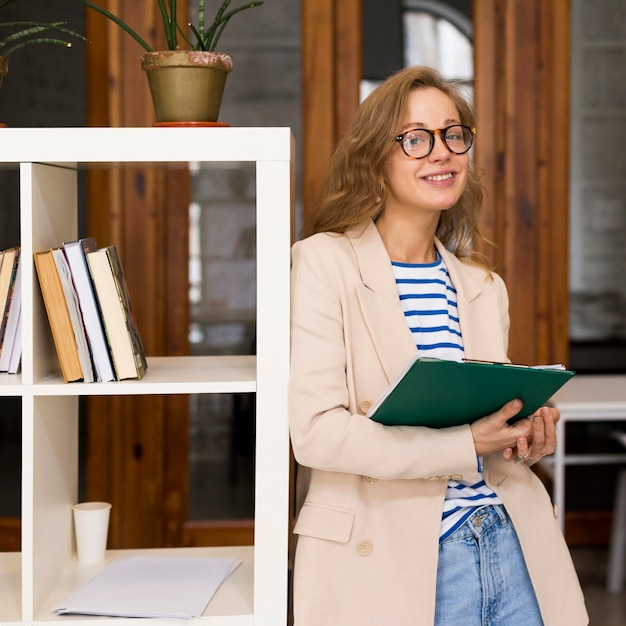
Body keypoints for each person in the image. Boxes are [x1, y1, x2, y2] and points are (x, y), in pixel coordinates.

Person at [288, 66, 588, 626]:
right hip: (395, 560)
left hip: (510, 540)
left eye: (454, 135)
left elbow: (480, 429)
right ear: (375, 157)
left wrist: (520, 436)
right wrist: (467, 441)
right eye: (416, 138)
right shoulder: (323, 262)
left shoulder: (482, 285)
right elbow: (317, 434)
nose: (442, 153)